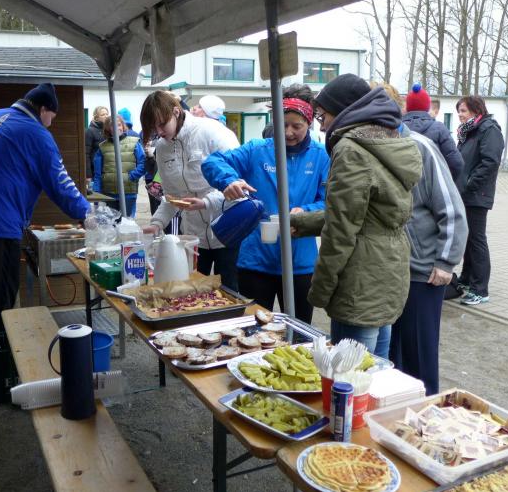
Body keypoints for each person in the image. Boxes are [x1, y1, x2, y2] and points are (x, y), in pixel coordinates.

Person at [0, 83, 90, 350]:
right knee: (1, 292)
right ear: (43, 109)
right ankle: (0, 353)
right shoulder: (36, 133)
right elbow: (60, 183)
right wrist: (87, 213)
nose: (50, 124)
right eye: (51, 117)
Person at [290, 74, 422, 358]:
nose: (321, 125)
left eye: (323, 116)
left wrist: (320, 290)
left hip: (359, 280)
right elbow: (367, 216)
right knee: (376, 371)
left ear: (343, 111)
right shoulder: (391, 141)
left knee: (348, 374)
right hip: (389, 270)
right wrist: (302, 223)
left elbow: (342, 230)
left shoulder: (351, 150)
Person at [202, 87, 330, 323]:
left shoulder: (322, 156)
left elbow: (329, 201)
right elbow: (213, 161)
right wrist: (228, 180)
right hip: (255, 261)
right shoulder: (257, 149)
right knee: (255, 330)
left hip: (300, 263)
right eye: (283, 124)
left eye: (296, 126)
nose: (288, 132)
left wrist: (306, 211)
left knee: (298, 331)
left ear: (309, 123)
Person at [390, 130, 468, 395]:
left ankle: (426, 410)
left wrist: (446, 261)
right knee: (392, 356)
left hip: (423, 273)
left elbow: (452, 209)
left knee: (419, 358)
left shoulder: (421, 147)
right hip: (389, 269)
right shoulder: (371, 144)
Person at [139, 90, 241, 290]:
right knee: (191, 292)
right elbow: (171, 196)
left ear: (176, 112)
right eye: (154, 128)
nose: (159, 132)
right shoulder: (163, 148)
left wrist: (206, 202)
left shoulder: (211, 131)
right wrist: (157, 223)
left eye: (162, 124)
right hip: (193, 238)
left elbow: (238, 182)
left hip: (228, 232)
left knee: (229, 293)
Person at [454, 95, 504, 306]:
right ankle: (467, 279)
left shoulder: (488, 129)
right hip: (466, 193)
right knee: (467, 238)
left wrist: (469, 183)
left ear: (476, 110)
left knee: (476, 240)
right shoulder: (469, 131)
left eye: (463, 111)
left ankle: (480, 289)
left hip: (477, 194)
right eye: (459, 111)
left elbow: (490, 162)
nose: (460, 115)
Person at [402, 83, 464, 180]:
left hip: (404, 186)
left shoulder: (397, 129)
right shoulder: (439, 129)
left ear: (407, 107)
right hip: (432, 185)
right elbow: (456, 163)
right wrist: (443, 181)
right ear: (427, 106)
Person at [92, 114, 145, 217]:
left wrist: (132, 176)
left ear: (123, 126)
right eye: (113, 125)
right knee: (111, 223)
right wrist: (97, 192)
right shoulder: (102, 147)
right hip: (109, 194)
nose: (117, 128)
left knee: (127, 222)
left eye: (119, 125)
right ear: (108, 128)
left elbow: (143, 163)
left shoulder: (134, 143)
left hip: (128, 193)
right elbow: (97, 173)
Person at [85, 105, 109, 179]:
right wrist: (88, 174)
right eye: (103, 114)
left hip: (108, 169)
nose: (106, 116)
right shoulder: (90, 131)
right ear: (96, 117)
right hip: (95, 171)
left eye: (107, 114)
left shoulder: (109, 130)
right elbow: (86, 154)